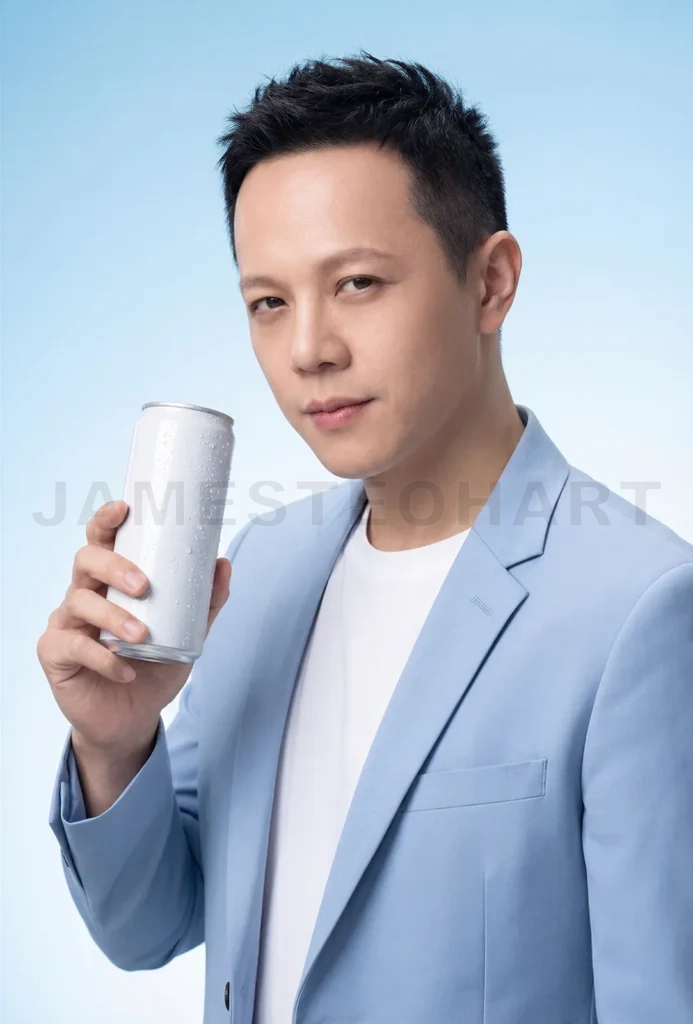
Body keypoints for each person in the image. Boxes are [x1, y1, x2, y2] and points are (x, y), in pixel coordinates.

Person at [39, 51, 693, 1024]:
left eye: (355, 283)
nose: (308, 348)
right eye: (269, 301)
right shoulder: (259, 571)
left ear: (492, 282)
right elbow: (149, 928)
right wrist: (115, 739)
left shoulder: (642, 610)